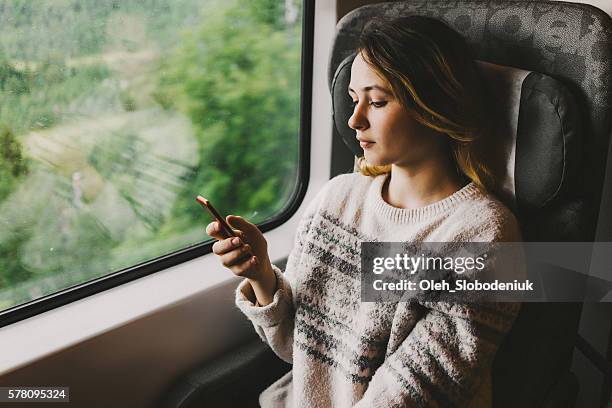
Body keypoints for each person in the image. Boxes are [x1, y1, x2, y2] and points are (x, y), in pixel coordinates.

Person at [207, 15, 522, 408]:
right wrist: (262, 275)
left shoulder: (482, 233)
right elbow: (298, 348)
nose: (354, 120)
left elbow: (416, 391)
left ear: (434, 104)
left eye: (376, 101)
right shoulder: (336, 200)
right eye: (354, 100)